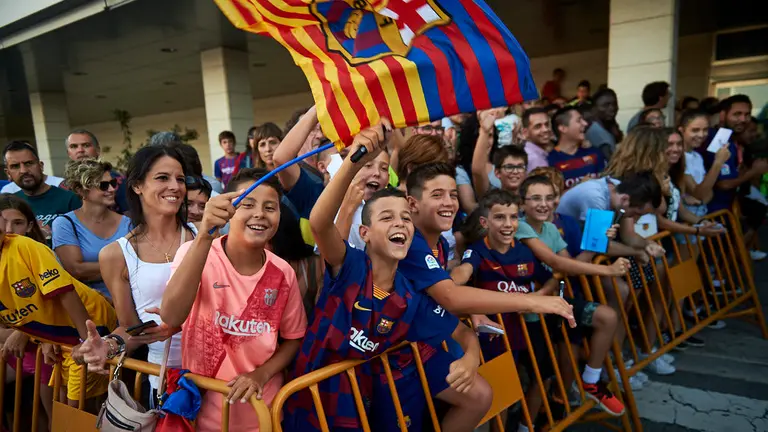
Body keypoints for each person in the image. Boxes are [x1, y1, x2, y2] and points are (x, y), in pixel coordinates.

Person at [286, 123, 492, 432]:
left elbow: (459, 332)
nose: (400, 224)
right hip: (315, 394)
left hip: (364, 398)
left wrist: (472, 355)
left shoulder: (409, 297)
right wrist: (354, 162)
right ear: (365, 234)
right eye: (387, 217)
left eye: (406, 218)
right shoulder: (350, 265)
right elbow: (319, 221)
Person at [147, 168, 307, 431]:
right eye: (247, 204)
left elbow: (293, 339)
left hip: (262, 412)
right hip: (202, 414)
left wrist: (260, 375)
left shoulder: (283, 273)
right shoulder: (195, 251)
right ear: (229, 208)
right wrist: (205, 235)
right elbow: (172, 316)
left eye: (270, 207)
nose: (259, 214)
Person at [451, 189, 626, 423]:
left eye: (513, 217)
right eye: (500, 217)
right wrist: (450, 281)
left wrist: (544, 292)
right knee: (502, 393)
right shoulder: (478, 251)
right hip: (497, 335)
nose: (508, 224)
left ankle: (527, 427)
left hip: (529, 328)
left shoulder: (525, 251)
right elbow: (463, 273)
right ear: (485, 222)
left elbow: (554, 276)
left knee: (541, 376)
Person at [94, 145, 195, 399]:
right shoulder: (116, 254)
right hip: (165, 380)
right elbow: (131, 330)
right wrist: (106, 346)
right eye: (163, 178)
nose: (175, 186)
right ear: (137, 185)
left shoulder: (205, 237)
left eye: (180, 179)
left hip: (218, 372)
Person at [0, 214, 117, 408]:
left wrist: (87, 341)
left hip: (90, 323)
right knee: (62, 404)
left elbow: (65, 293)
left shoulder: (23, 247)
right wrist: (44, 339)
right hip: (58, 338)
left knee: (76, 408)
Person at [0, 194, 54, 430]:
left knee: (55, 419)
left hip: (49, 349)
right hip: (14, 346)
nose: (10, 229)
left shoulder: (41, 254)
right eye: (3, 223)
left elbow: (57, 310)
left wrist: (26, 332)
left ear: (31, 226)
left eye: (18, 223)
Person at [52, 159, 132, 300]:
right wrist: (124, 266)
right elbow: (75, 269)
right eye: (103, 186)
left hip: (130, 300)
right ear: (80, 190)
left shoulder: (127, 223)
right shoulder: (65, 224)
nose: (112, 189)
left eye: (113, 183)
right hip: (92, 305)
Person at [3, 141, 81, 239]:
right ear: (8, 173)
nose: (23, 170)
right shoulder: (8, 203)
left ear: (41, 166)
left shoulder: (70, 199)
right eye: (15, 166)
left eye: (28, 163)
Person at [64, 129, 129, 213]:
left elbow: (129, 214)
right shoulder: (63, 186)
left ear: (97, 150)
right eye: (74, 146)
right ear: (68, 153)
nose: (80, 150)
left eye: (86, 145)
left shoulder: (118, 180)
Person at [548, 106, 605, 190]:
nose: (585, 123)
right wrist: (580, 187)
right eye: (579, 120)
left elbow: (607, 186)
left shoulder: (595, 153)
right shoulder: (551, 160)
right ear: (563, 128)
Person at [585, 88, 623, 160]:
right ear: (594, 109)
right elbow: (611, 164)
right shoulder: (597, 132)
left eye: (615, 104)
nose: (612, 108)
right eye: (606, 105)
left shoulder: (608, 128)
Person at [521, 107, 554, 172]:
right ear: (525, 133)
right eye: (538, 126)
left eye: (547, 124)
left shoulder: (533, 154)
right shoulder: (534, 158)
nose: (545, 129)